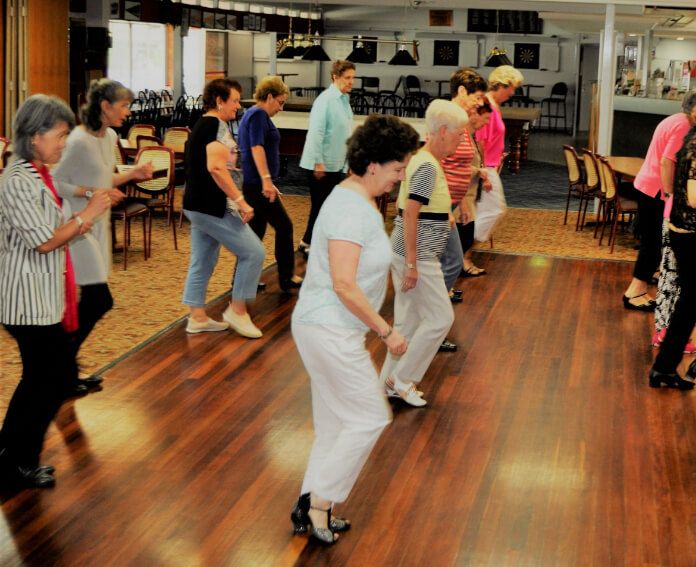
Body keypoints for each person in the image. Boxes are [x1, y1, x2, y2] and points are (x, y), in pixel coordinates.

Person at [290, 114, 418, 544]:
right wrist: (387, 331)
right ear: (373, 165)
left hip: (329, 326)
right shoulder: (349, 207)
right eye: (398, 169)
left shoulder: (355, 199)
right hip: (327, 326)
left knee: (335, 422)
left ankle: (311, 502)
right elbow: (344, 284)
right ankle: (321, 501)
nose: (400, 179)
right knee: (367, 417)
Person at [0, 95, 112, 489]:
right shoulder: (17, 180)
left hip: (41, 295)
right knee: (51, 376)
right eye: (59, 135)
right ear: (34, 136)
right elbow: (45, 241)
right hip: (24, 298)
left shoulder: (36, 173)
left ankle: (13, 455)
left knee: (45, 376)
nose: (64, 143)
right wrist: (88, 215)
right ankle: (15, 459)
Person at [53, 78, 153, 396]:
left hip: (97, 225)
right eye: (124, 106)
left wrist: (132, 174)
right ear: (105, 106)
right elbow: (56, 184)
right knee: (98, 300)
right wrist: (92, 191)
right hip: (77, 227)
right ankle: (61, 370)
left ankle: (65, 372)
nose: (128, 111)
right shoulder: (78, 140)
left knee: (90, 301)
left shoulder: (109, 136)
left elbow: (105, 177)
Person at [379, 100, 469, 407]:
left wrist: (446, 215)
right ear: (442, 131)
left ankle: (387, 384)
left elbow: (417, 205)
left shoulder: (422, 159)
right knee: (441, 318)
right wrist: (414, 264)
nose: (461, 140)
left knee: (409, 323)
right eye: (459, 134)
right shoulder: (427, 164)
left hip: (410, 254)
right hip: (417, 257)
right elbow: (410, 212)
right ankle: (402, 379)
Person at [182, 78, 266, 338]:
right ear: (219, 101)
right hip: (211, 205)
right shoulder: (214, 126)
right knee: (254, 252)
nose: (238, 107)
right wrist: (240, 200)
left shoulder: (203, 124)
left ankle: (197, 317)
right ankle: (238, 311)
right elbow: (216, 168)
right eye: (235, 101)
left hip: (197, 204)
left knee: (204, 259)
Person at [622, 91, 696, 311]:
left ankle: (641, 287)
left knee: (651, 243)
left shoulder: (673, 119)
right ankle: (634, 292)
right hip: (656, 189)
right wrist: (669, 194)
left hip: (647, 184)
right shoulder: (684, 125)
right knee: (653, 244)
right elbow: (667, 162)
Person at [437, 67, 488, 354]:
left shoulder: (461, 123)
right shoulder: (448, 120)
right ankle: (430, 327)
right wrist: (444, 209)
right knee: (447, 264)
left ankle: (432, 325)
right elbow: (437, 164)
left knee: (449, 264)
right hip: (437, 209)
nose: (476, 104)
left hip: (449, 205)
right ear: (461, 91)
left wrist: (464, 200)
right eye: (475, 97)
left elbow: (457, 166)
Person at [238, 76, 303, 292]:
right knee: (285, 226)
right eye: (280, 102)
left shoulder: (255, 115)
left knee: (254, 233)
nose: (281, 107)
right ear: (269, 97)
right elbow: (257, 148)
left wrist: (268, 180)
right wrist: (266, 180)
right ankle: (286, 277)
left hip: (256, 183)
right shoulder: (257, 115)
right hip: (257, 184)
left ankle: (242, 280)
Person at [648, 123, 696, 390]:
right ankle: (664, 368)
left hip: (682, 229)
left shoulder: (691, 137)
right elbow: (694, 197)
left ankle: (664, 368)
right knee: (689, 303)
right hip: (691, 232)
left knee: (688, 304)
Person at [297, 60, 355, 257]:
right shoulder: (326, 100)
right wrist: (318, 162)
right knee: (322, 205)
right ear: (335, 77)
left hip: (336, 163)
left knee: (326, 206)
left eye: (353, 78)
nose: (351, 82)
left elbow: (345, 134)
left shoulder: (344, 100)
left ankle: (308, 240)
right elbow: (316, 133)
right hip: (321, 163)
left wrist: (347, 164)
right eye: (347, 78)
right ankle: (311, 243)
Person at [474, 65, 524, 245]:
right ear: (503, 85)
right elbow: (480, 140)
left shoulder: (493, 105)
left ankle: (464, 252)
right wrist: (483, 172)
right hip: (486, 167)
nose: (512, 93)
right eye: (512, 88)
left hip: (491, 164)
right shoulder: (487, 106)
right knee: (496, 210)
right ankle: (464, 250)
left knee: (484, 210)